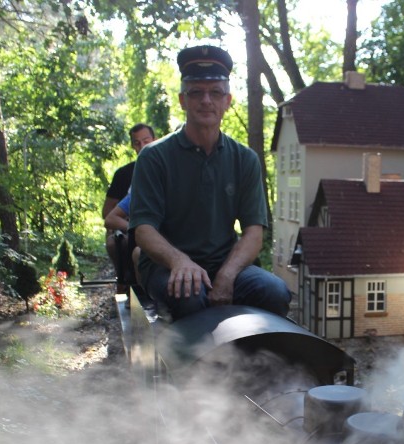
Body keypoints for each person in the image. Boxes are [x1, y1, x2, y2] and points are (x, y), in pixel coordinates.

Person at [129, 45, 291, 320]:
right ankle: (190, 362)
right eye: (196, 92)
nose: (206, 100)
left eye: (215, 92)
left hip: (224, 262)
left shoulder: (245, 159)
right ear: (183, 100)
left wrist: (227, 274)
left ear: (227, 100)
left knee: (275, 292)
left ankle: (256, 361)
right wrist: (179, 260)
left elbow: (254, 232)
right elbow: (143, 230)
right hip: (167, 265)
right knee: (189, 295)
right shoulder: (154, 156)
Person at [103, 123, 155, 291]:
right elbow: (109, 214)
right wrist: (135, 227)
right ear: (132, 145)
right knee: (120, 244)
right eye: (137, 142)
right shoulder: (124, 174)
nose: (142, 146)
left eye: (146, 141)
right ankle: (127, 282)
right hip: (133, 229)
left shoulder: (169, 170)